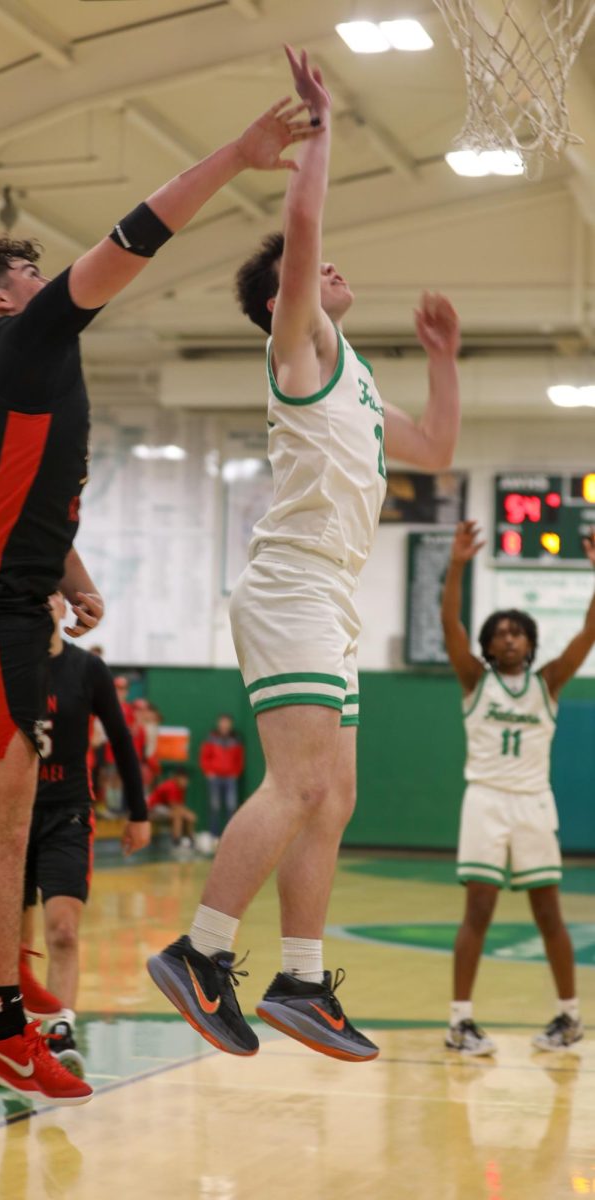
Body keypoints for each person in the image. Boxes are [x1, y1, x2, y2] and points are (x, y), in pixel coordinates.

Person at [0, 92, 319, 1104]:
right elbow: (134, 235)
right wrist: (237, 150)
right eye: (28, 274)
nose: (47, 281)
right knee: (0, 828)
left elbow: (8, 498)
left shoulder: (13, 374)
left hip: (4, 598)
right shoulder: (26, 342)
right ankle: (0, 1030)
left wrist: (72, 575)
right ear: (4, 300)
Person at [148, 46, 461, 1062]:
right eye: (308, 271)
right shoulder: (295, 346)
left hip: (329, 598)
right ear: (284, 296)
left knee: (336, 792)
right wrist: (321, 128)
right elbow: (303, 230)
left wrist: (447, 361)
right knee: (294, 785)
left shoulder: (356, 380)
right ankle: (198, 954)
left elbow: (439, 450)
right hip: (287, 586)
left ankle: (301, 979)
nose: (328, 269)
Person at [440, 520, 595, 1055]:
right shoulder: (474, 681)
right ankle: (460, 1022)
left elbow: (588, 634)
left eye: (516, 630)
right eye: (499, 632)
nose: (508, 636)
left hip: (533, 804)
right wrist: (458, 564)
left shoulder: (547, 682)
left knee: (548, 913)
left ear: (530, 641)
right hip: (484, 801)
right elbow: (449, 626)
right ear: (487, 646)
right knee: (477, 911)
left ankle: (569, 1018)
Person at [21, 594, 150, 1077]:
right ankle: (11, 1029)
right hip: (11, 815)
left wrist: (138, 812)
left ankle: (60, 1027)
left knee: (63, 930)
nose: (42, 600)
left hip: (67, 813)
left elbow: (120, 739)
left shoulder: (87, 670)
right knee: (15, 939)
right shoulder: (8, 666)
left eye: (50, 592)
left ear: (62, 606)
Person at [200, 714, 245, 843]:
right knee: (214, 806)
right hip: (214, 777)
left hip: (230, 778)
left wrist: (236, 772)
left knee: (231, 806)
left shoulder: (236, 739)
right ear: (218, 723)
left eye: (227, 722)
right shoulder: (211, 738)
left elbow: (239, 758)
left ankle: (230, 836)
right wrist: (208, 771)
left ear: (230, 724)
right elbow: (205, 756)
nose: (224, 725)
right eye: (222, 722)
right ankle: (214, 836)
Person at [147, 769, 197, 848]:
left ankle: (191, 841)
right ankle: (176, 842)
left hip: (165, 808)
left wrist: (188, 814)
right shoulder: (171, 786)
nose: (185, 781)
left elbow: (180, 805)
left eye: (186, 779)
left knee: (187, 816)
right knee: (178, 815)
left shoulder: (182, 788)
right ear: (177, 778)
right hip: (152, 809)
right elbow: (174, 806)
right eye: (183, 779)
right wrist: (187, 814)